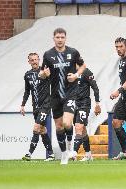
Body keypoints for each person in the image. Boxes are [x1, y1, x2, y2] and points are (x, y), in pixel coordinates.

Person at [39, 28, 86, 164]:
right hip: (55, 95)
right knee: (59, 127)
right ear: (53, 38)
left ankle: (71, 147)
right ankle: (64, 153)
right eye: (57, 37)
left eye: (62, 37)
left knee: (67, 122)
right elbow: (41, 73)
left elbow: (83, 65)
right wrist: (44, 74)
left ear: (65, 38)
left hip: (70, 93)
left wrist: (76, 75)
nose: (60, 40)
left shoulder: (73, 52)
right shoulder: (48, 54)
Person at [20, 52, 55, 162]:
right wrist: (22, 105)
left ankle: (29, 154)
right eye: (32, 60)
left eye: (36, 59)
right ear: (29, 62)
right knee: (42, 130)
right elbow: (27, 91)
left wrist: (49, 75)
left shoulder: (44, 71)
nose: (34, 61)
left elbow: (53, 82)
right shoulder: (27, 75)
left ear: (39, 60)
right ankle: (51, 154)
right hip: (36, 107)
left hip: (46, 105)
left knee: (36, 128)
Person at [71, 63, 101, 161]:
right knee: (82, 130)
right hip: (73, 104)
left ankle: (74, 153)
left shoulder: (86, 72)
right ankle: (88, 155)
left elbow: (95, 87)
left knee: (78, 127)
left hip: (84, 104)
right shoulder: (70, 73)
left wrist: (97, 104)